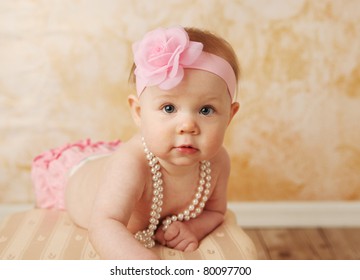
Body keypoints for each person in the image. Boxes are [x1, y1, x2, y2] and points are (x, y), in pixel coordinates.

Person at [31, 26, 240, 259]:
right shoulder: (131, 164)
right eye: (169, 108)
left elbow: (215, 211)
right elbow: (104, 224)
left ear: (230, 116)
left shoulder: (218, 160)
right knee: (110, 167)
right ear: (139, 112)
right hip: (78, 177)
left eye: (206, 110)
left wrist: (193, 227)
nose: (188, 125)